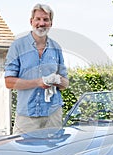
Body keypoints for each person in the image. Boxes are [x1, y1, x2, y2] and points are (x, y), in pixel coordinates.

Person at [4, 3, 69, 134]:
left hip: (53, 115)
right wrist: (38, 82)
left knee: (54, 153)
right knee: (23, 153)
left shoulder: (56, 48)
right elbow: (9, 82)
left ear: (51, 23)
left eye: (46, 19)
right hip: (26, 117)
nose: (41, 23)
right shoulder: (17, 46)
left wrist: (57, 80)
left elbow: (65, 84)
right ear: (31, 21)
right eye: (38, 19)